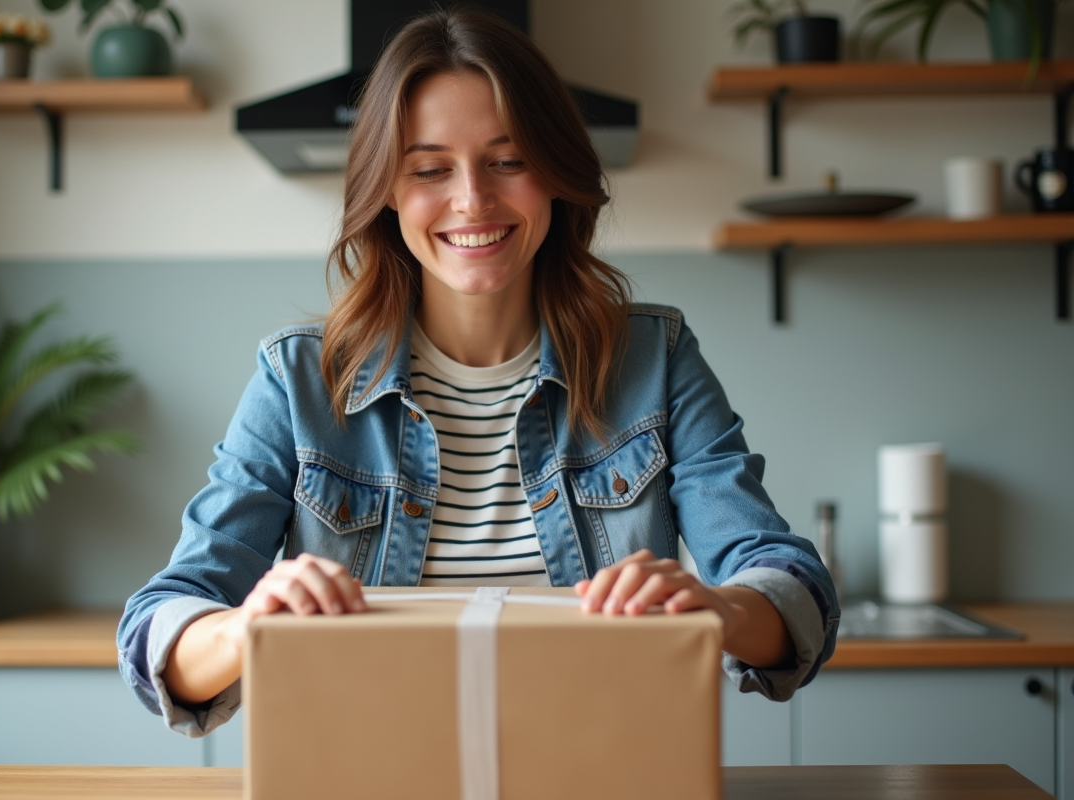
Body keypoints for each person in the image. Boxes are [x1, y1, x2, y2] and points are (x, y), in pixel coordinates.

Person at [118, 8, 838, 737]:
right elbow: (159, 627)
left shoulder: (654, 359)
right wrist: (247, 627)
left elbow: (793, 591)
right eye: (430, 169)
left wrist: (721, 607)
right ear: (387, 192)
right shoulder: (298, 379)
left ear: (555, 174)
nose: (473, 199)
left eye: (509, 160)